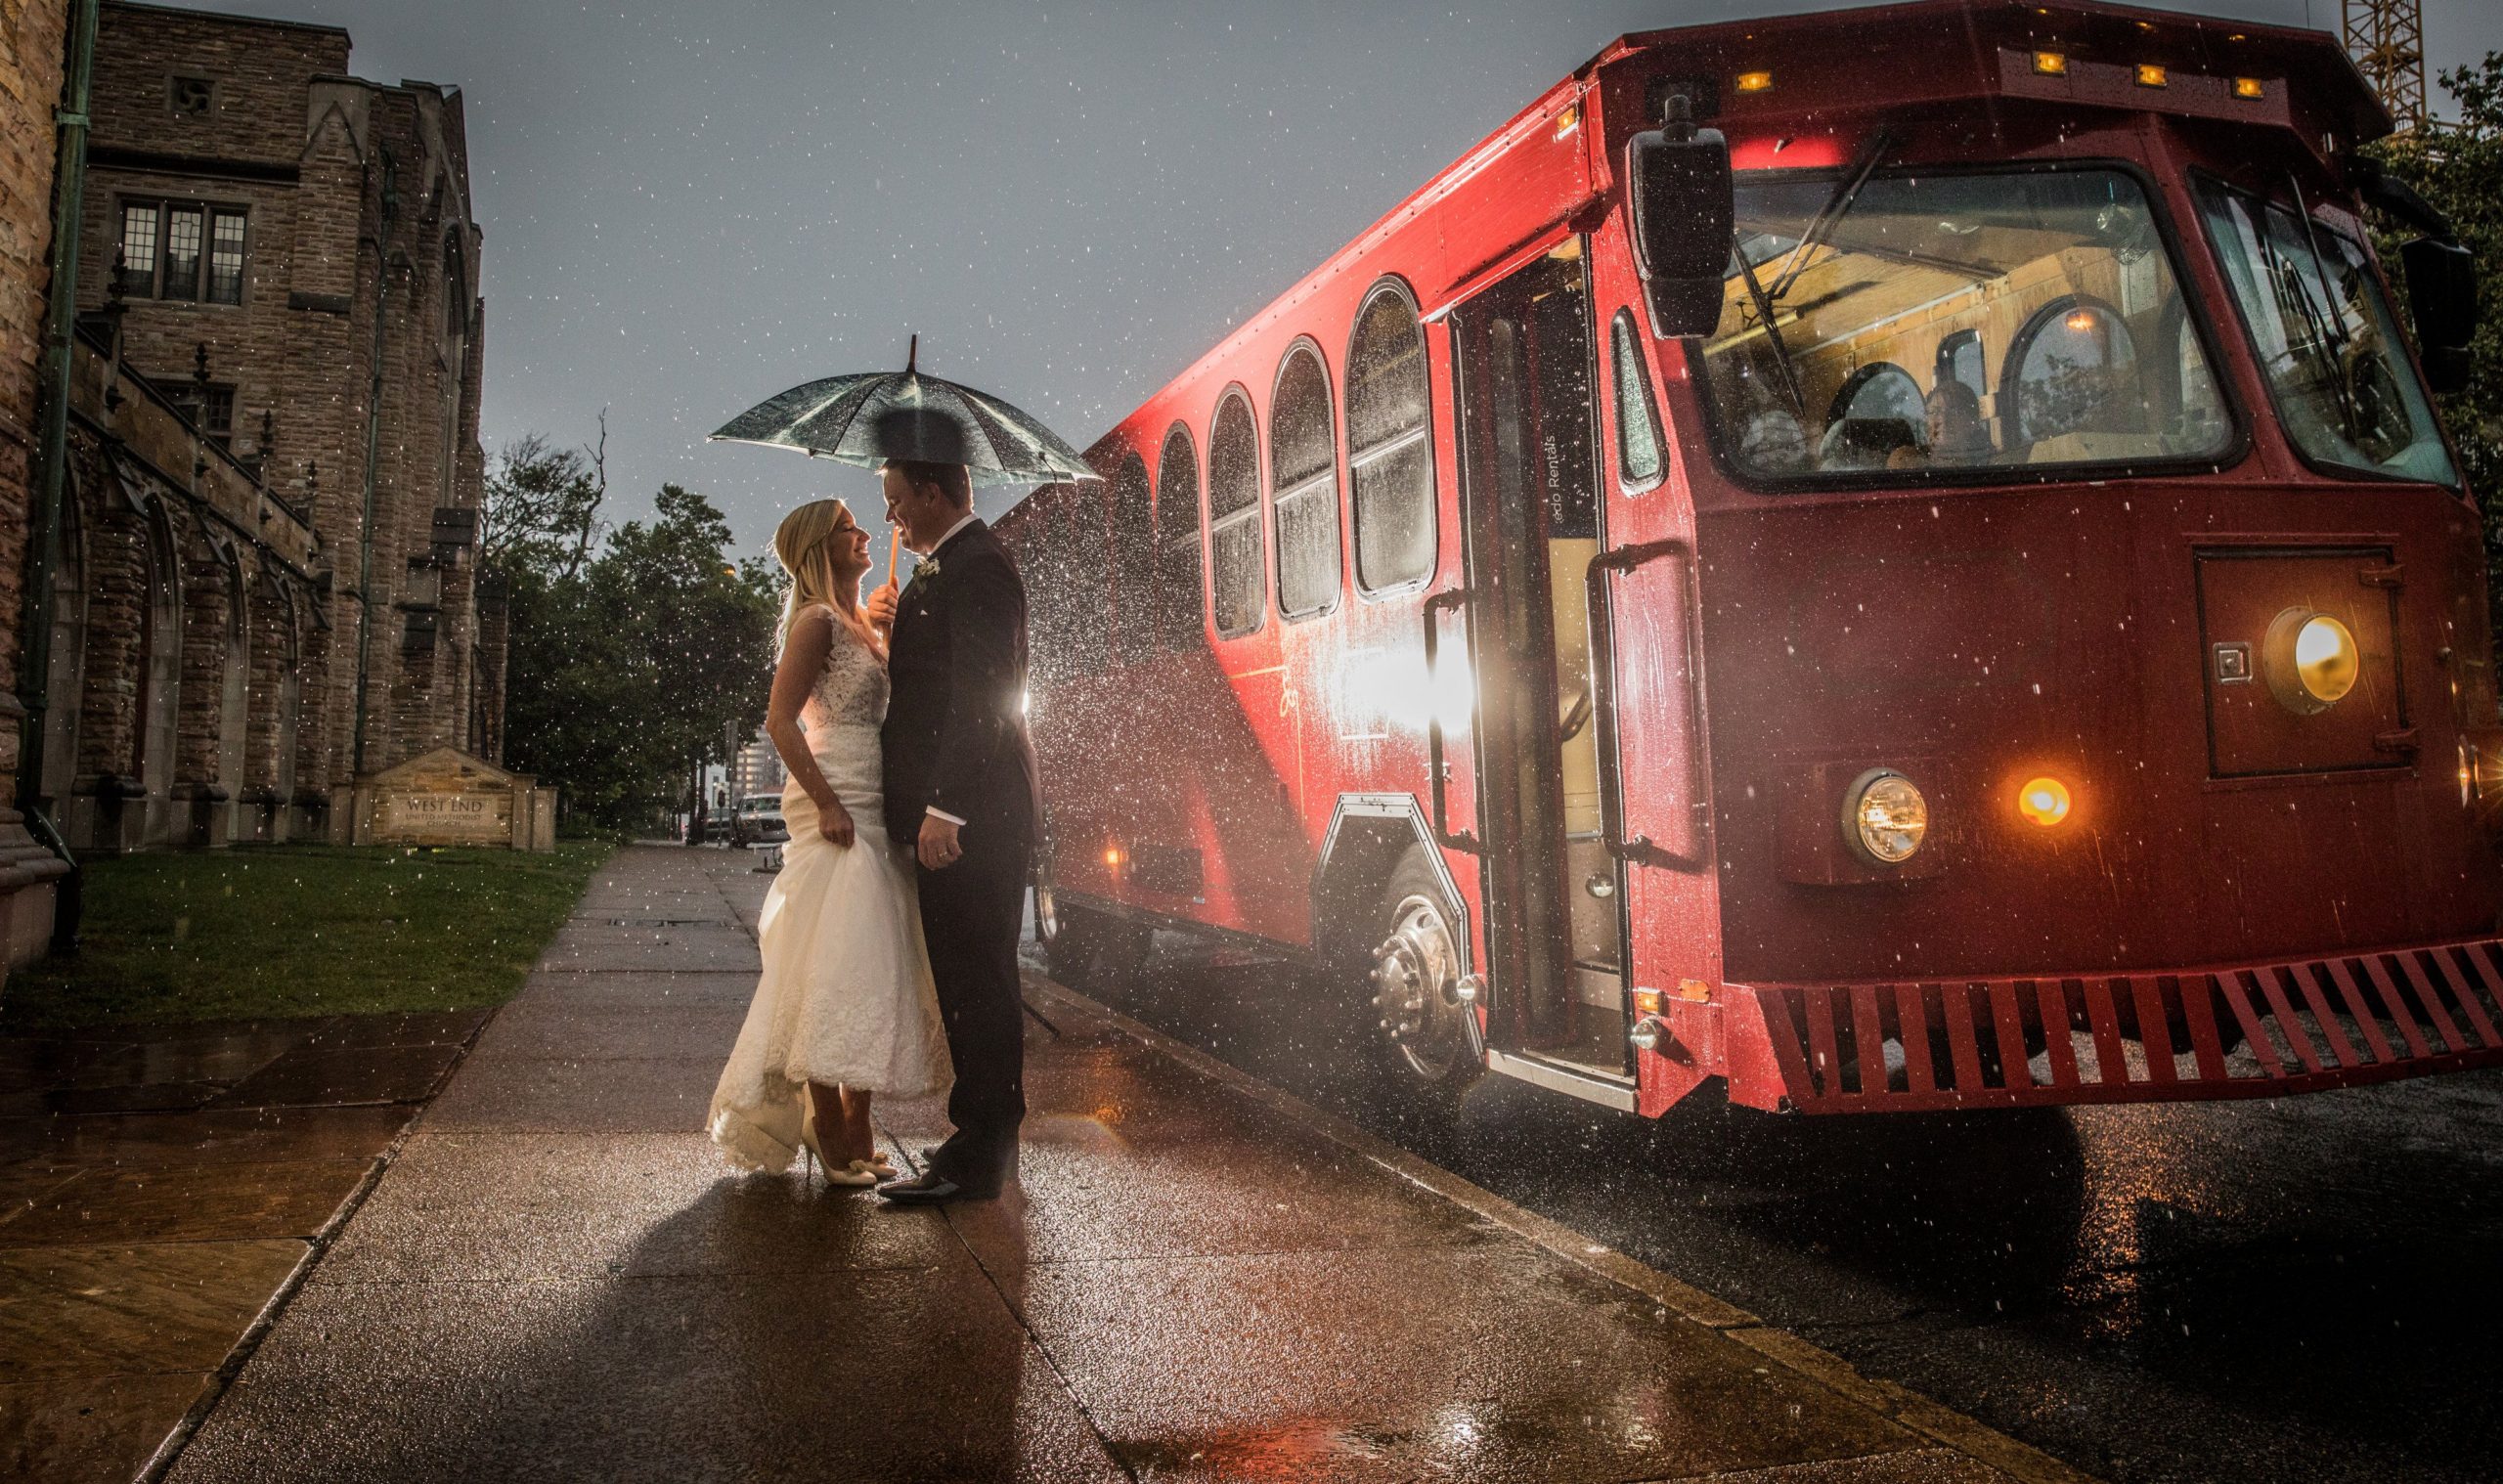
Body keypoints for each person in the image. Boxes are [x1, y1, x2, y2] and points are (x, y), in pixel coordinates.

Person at [707, 499, 949, 1187]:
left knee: (869, 966)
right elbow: (781, 721)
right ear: (823, 547)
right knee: (827, 965)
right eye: (851, 527)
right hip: (836, 802)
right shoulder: (815, 623)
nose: (867, 533)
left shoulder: (861, 624)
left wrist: (889, 635)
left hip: (874, 804)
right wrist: (827, 803)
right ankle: (834, 1128)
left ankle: (854, 1123)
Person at [863, 440, 1041, 1205]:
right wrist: (898, 623)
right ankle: (974, 1140)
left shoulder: (981, 566)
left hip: (973, 818)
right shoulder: (948, 570)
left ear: (934, 493)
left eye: (897, 498)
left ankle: (980, 1156)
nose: (891, 514)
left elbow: (984, 696)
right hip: (959, 813)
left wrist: (945, 807)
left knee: (980, 980)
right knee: (965, 980)